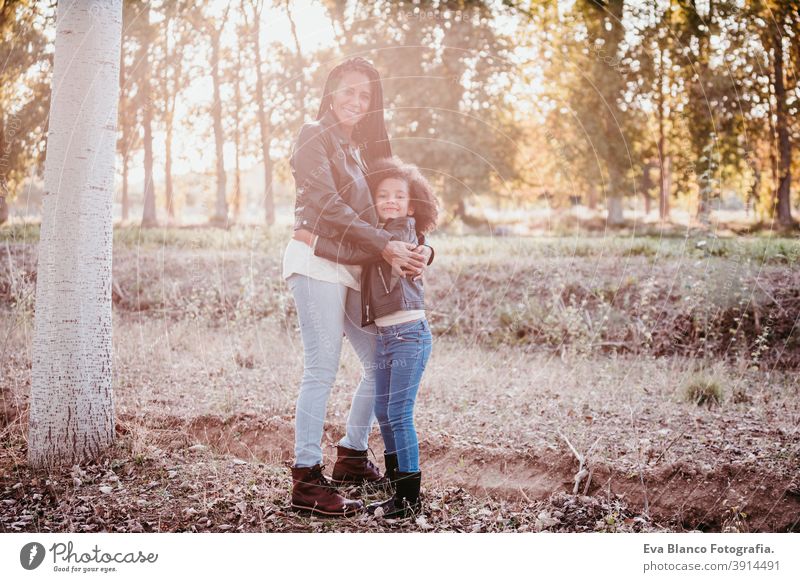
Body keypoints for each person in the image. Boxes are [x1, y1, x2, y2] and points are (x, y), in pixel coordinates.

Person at [283, 57, 434, 517]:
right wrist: (386, 246)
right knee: (322, 369)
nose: (356, 100)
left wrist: (421, 249)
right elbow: (327, 206)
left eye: (365, 95)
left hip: (349, 268)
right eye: (348, 90)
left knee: (378, 363)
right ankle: (306, 477)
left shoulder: (357, 151)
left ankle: (350, 455)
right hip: (315, 266)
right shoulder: (315, 136)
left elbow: (390, 213)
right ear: (331, 92)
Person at [310, 157, 438, 519]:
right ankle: (397, 483)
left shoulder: (400, 234)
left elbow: (361, 249)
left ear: (412, 206)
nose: (391, 201)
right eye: (383, 195)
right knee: (384, 410)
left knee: (399, 413)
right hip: (386, 336)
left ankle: (409, 498)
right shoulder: (381, 234)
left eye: (400, 196)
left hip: (410, 335)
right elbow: (369, 245)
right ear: (373, 200)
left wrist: (311, 240)